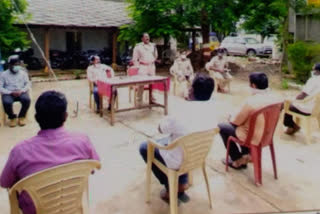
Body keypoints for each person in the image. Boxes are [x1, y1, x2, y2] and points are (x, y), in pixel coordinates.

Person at [0, 90, 100, 214]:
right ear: (66, 116)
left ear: (37, 118)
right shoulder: (83, 141)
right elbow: (92, 169)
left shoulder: (20, 151)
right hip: (71, 204)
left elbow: (4, 182)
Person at [139, 73, 223, 203]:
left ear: (191, 90)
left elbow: (161, 128)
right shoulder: (214, 108)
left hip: (179, 158)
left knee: (145, 146)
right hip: (199, 154)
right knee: (177, 141)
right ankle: (182, 181)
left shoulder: (181, 110)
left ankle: (172, 186)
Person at [218, 72, 281, 169]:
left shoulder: (251, 101)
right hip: (266, 136)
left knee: (222, 126)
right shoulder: (276, 98)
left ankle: (237, 159)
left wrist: (230, 117)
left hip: (252, 137)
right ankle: (246, 154)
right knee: (247, 124)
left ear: (253, 85)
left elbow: (236, 122)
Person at [283, 63, 320, 135]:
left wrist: (292, 99)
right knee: (291, 104)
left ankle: (292, 126)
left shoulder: (313, 80)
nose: (312, 71)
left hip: (307, 109)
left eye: (313, 69)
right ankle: (293, 125)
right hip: (316, 109)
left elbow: (303, 95)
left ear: (317, 71)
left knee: (286, 105)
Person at [0, 55, 31, 127]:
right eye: (14, 65)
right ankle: (12, 117)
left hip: (21, 92)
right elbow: (0, 87)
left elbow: (28, 84)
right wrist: (10, 92)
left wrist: (22, 90)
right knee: (7, 102)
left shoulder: (23, 73)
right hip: (9, 93)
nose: (16, 66)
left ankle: (21, 117)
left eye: (18, 64)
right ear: (9, 65)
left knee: (26, 100)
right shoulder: (3, 75)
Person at [132, 33, 158, 105]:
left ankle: (152, 98)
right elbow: (134, 59)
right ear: (142, 38)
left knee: (153, 83)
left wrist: (153, 61)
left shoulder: (153, 46)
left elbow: (156, 55)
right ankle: (139, 100)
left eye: (148, 37)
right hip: (143, 67)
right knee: (141, 83)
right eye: (145, 37)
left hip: (151, 66)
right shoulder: (138, 47)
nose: (147, 38)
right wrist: (138, 67)